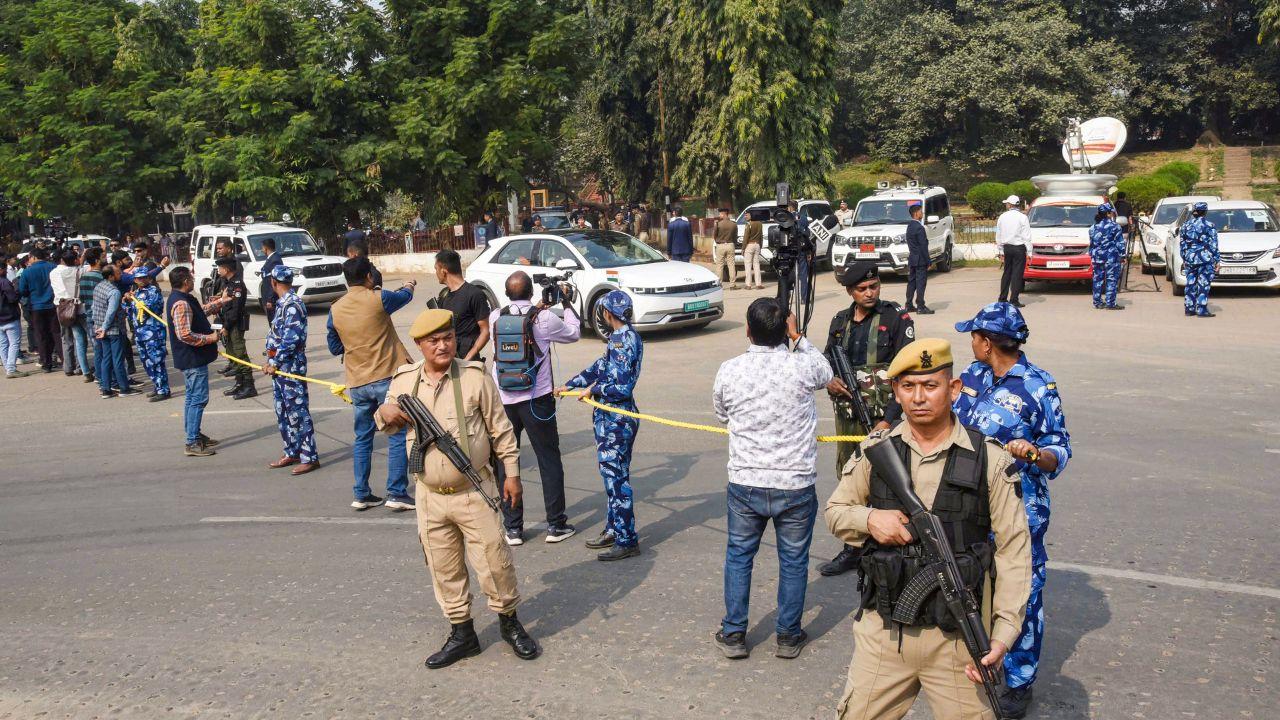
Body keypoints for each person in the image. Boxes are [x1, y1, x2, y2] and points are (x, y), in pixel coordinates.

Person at [825, 338, 1032, 720]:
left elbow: (1014, 552)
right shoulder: (877, 450)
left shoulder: (990, 458)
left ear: (953, 389)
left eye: (930, 385)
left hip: (957, 642)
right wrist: (870, 519)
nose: (919, 397)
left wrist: (1003, 636)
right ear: (896, 393)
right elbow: (836, 512)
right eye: (908, 387)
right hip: (884, 636)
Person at [375, 309, 539, 668]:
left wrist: (511, 474)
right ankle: (463, 633)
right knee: (444, 567)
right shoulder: (404, 382)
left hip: (474, 488)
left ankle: (509, 623)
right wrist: (384, 411)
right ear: (419, 345)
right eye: (433, 340)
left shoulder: (475, 377)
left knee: (495, 562)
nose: (443, 345)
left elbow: (501, 430)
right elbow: (386, 423)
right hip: (429, 497)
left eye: (448, 337)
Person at [952, 302, 1071, 718]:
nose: (970, 342)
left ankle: (1019, 681)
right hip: (968, 503)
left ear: (987, 342)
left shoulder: (1038, 387)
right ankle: (978, 660)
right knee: (969, 585)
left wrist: (1035, 453)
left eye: (974, 336)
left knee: (1022, 593)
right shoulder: (971, 376)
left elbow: (1060, 448)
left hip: (1020, 509)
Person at [711, 298, 833, 660]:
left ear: (748, 331)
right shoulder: (801, 366)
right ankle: (788, 635)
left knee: (738, 557)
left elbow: (721, 414)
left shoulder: (729, 369)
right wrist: (800, 338)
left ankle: (734, 634)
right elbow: (826, 373)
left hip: (746, 481)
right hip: (794, 484)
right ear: (785, 331)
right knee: (794, 562)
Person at [817, 260, 915, 577]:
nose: (870, 292)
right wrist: (829, 378)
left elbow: (908, 372)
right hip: (848, 418)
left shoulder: (895, 317)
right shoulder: (840, 321)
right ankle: (854, 548)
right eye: (862, 288)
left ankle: (895, 544)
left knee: (892, 479)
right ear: (850, 291)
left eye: (874, 286)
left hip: (886, 417)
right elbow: (826, 357)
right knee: (851, 479)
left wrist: (888, 419)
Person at [487, 271, 581, 545]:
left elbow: (523, 317)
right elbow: (573, 332)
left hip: (504, 400)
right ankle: (556, 525)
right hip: (537, 399)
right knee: (548, 460)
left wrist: (540, 307)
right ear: (531, 293)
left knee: (507, 461)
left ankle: (513, 528)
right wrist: (565, 302)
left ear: (507, 294)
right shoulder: (546, 318)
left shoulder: (496, 317)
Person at [558, 290, 644, 560]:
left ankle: (627, 539)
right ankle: (614, 528)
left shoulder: (623, 341)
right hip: (614, 417)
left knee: (616, 480)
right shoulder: (622, 337)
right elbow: (600, 366)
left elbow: (621, 385)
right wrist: (572, 384)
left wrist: (594, 390)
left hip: (616, 419)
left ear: (607, 314)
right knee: (613, 477)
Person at [328, 256, 418, 510]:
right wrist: (409, 284)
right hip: (385, 376)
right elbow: (405, 297)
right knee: (398, 432)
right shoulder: (379, 298)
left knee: (363, 437)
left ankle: (361, 493)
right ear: (369, 276)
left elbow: (335, 347)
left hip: (357, 381)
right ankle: (396, 492)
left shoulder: (335, 309)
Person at [166, 266, 231, 456]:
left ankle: (194, 434)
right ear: (186, 281)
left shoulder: (184, 299)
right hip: (192, 359)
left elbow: (199, 313)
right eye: (191, 277)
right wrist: (210, 338)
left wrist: (220, 302)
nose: (193, 279)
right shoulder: (181, 303)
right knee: (198, 399)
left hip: (193, 359)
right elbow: (185, 334)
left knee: (192, 398)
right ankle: (192, 442)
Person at [263, 265, 319, 475]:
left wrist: (275, 362)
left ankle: (309, 456)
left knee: (298, 411)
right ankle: (292, 450)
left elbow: (291, 339)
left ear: (273, 282)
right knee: (283, 411)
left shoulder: (293, 304)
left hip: (289, 367)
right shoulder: (283, 304)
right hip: (278, 367)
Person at [91, 264, 140, 399]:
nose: (121, 275)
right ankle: (124, 388)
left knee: (106, 359)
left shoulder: (99, 286)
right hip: (112, 329)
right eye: (118, 273)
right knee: (117, 360)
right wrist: (105, 327)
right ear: (111, 276)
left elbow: (95, 308)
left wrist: (99, 327)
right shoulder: (114, 291)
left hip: (100, 328)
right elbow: (111, 312)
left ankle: (106, 388)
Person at [432, 249, 490, 361]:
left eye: (436, 269)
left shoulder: (474, 294)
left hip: (467, 360)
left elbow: (485, 331)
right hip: (447, 359)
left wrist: (468, 358)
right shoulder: (444, 295)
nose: (436, 273)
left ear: (444, 271)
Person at [213, 256, 255, 399]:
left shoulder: (237, 284)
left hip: (234, 324)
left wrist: (226, 326)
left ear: (226, 269)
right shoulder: (228, 283)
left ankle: (249, 386)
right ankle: (239, 383)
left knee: (240, 353)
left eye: (220, 268)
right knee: (232, 353)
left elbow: (235, 309)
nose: (218, 271)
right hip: (228, 323)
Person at [130, 264, 170, 401]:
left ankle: (163, 390)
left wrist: (134, 300)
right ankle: (157, 385)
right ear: (135, 280)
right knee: (146, 361)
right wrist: (126, 302)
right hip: (140, 333)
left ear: (149, 278)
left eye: (144, 278)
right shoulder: (136, 293)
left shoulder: (153, 291)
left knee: (157, 360)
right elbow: (131, 312)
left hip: (153, 332)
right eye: (139, 278)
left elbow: (150, 307)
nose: (142, 280)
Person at [17, 247, 60, 372]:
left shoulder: (27, 272)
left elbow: (22, 290)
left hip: (36, 306)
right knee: (56, 333)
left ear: (34, 257)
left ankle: (46, 363)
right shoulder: (53, 267)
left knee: (41, 335)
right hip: (52, 304)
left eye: (29, 257)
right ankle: (64, 359)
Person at [51, 248, 89, 377]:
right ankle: (80, 367)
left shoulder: (54, 272)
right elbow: (83, 269)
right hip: (77, 306)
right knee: (80, 338)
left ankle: (68, 366)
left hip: (61, 306)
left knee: (66, 338)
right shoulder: (78, 271)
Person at [1179, 201, 1220, 318]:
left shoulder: (1185, 225)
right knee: (1203, 284)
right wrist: (1217, 260)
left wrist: (1185, 257)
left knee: (1190, 283)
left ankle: (1189, 308)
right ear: (1205, 212)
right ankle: (1201, 309)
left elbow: (1182, 244)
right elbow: (1213, 245)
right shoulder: (1209, 225)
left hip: (1190, 259)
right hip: (1205, 259)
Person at [995, 194, 1031, 307]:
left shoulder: (1002, 217)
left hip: (1007, 248)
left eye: (1007, 203)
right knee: (1017, 274)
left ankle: (1002, 298)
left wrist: (1000, 250)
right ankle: (1014, 300)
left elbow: (999, 235)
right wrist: (1029, 252)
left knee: (1007, 273)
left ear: (1010, 204)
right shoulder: (1022, 217)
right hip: (1019, 248)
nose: (1006, 205)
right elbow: (1027, 236)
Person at [1088, 202, 1126, 310]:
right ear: (1109, 213)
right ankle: (1110, 303)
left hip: (1097, 258)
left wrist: (1092, 255)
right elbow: (1120, 243)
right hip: (1111, 258)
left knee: (1097, 280)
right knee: (1111, 280)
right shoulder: (1115, 226)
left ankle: (1097, 302)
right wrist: (1123, 256)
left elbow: (1091, 244)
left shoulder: (1093, 228)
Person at [77, 248, 105, 384]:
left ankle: (99, 375)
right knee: (104, 349)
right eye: (104, 256)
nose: (106, 258)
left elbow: (82, 297)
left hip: (89, 315)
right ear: (98, 260)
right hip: (101, 317)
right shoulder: (100, 277)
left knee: (97, 348)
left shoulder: (83, 278)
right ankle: (104, 377)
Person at [0, 253, 26, 379]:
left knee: (3, 344)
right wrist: (17, 291)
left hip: (1, 320)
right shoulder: (4, 282)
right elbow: (13, 298)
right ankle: (10, 368)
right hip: (9, 316)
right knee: (14, 343)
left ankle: (7, 367)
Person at [904, 202, 931, 314]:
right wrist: (928, 261)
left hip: (913, 258)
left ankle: (909, 304)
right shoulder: (919, 227)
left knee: (912, 282)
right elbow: (923, 246)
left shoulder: (910, 226)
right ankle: (920, 306)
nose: (922, 213)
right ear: (916, 214)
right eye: (920, 211)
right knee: (921, 283)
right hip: (920, 259)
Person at [712, 207, 739, 289]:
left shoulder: (718, 224)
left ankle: (719, 284)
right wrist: (732, 242)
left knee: (719, 265)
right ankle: (732, 284)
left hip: (720, 245)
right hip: (730, 245)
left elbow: (714, 235)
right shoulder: (733, 224)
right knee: (731, 265)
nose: (719, 215)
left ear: (724, 214)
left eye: (720, 214)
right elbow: (735, 236)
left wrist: (717, 241)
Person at [258, 237, 283, 319]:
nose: (262, 250)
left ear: (266, 248)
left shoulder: (275, 260)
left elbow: (274, 280)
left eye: (262, 247)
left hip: (272, 299)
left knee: (273, 322)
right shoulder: (270, 259)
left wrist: (270, 299)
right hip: (267, 296)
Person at [742, 209, 764, 290]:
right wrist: (760, 246)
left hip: (749, 245)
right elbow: (761, 236)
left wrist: (743, 249)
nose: (745, 216)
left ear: (752, 215)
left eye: (747, 215)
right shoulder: (760, 224)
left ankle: (748, 284)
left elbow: (745, 238)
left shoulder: (749, 224)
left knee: (748, 265)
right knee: (756, 265)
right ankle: (758, 284)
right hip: (757, 245)